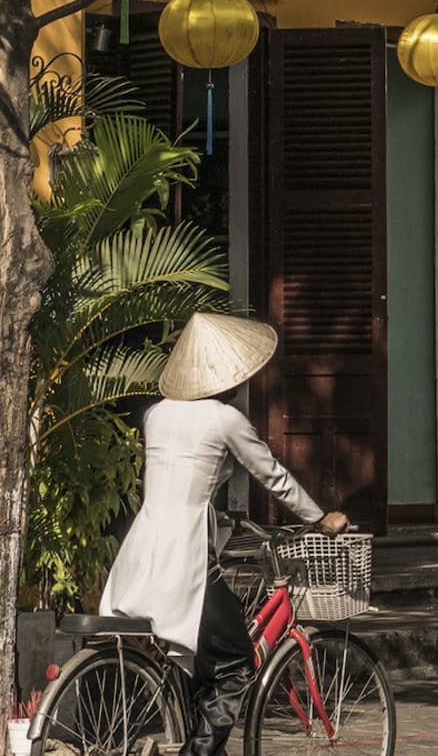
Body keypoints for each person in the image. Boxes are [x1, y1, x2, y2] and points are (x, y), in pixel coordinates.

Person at [100, 312, 349, 756]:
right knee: (236, 666)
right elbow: (272, 477)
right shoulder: (223, 418)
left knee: (205, 662)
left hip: (144, 547)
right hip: (187, 554)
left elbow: (186, 476)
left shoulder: (156, 414)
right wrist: (319, 518)